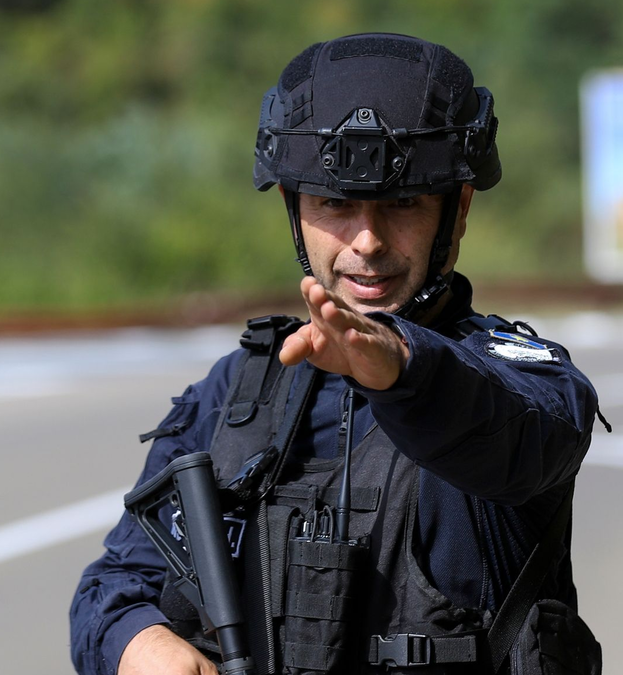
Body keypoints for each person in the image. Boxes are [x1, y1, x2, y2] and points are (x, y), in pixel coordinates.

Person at [70, 33, 608, 675]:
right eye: (336, 204)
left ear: (458, 210)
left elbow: (518, 442)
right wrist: (141, 644)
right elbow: (115, 585)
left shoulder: (521, 380)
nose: (367, 241)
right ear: (294, 209)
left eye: (402, 203)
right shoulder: (238, 393)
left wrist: (405, 370)